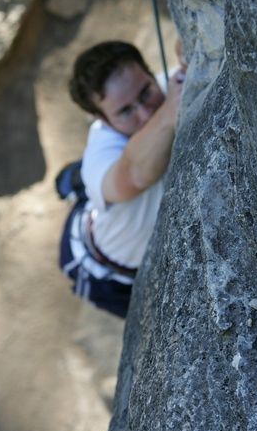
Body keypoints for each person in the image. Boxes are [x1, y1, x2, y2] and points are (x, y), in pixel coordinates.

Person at [64, 40, 185, 316]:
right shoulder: (101, 150)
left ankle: (80, 188)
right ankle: (78, 183)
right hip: (103, 271)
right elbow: (135, 175)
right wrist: (166, 115)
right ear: (102, 119)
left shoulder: (167, 89)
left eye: (146, 93)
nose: (145, 113)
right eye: (125, 111)